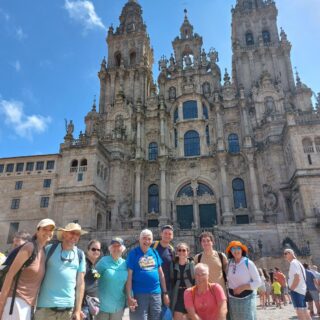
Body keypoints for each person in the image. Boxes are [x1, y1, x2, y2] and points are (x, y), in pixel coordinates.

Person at [0, 218, 55, 320]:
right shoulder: (29, 247)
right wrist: (1, 304)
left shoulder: (43, 251)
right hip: (15, 302)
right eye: (44, 229)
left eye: (51, 230)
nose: (48, 232)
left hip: (28, 304)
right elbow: (9, 275)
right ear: (37, 231)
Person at [34, 222, 87, 320]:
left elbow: (80, 284)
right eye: (72, 233)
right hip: (45, 308)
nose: (74, 236)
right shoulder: (49, 249)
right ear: (64, 234)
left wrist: (78, 310)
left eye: (77, 234)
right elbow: (35, 273)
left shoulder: (80, 255)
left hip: (67, 309)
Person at [126, 229, 169, 320]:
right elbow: (129, 277)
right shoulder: (133, 253)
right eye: (144, 238)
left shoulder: (154, 252)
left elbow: (161, 274)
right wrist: (129, 297)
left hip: (156, 294)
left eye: (149, 239)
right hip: (139, 294)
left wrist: (165, 293)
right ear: (139, 239)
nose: (146, 241)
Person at [226, 240, 262, 320]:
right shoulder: (229, 263)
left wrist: (243, 287)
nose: (236, 251)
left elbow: (258, 282)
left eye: (238, 248)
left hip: (247, 298)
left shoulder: (248, 263)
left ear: (242, 250)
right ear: (230, 252)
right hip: (233, 299)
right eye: (233, 249)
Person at [95, 237, 128, 320]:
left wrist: (130, 298)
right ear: (110, 248)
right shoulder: (103, 261)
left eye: (118, 246)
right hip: (102, 305)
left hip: (118, 305)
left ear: (122, 249)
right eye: (114, 246)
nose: (116, 248)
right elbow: (94, 276)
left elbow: (128, 283)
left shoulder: (125, 264)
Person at [283, 248, 311, 320]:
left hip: (297, 290)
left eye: (286, 253)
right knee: (304, 310)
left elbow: (297, 277)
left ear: (291, 253)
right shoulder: (298, 263)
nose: (284, 255)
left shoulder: (293, 263)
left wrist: (291, 289)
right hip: (301, 289)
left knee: (300, 311)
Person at [170, 242, 195, 320]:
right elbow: (171, 279)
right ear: (177, 252)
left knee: (190, 317)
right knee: (177, 316)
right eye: (179, 250)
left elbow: (195, 279)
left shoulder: (192, 264)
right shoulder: (173, 264)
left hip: (190, 293)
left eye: (184, 250)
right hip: (178, 294)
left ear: (188, 252)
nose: (181, 252)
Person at [152, 225, 175, 295]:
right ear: (161, 234)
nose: (167, 236)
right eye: (165, 233)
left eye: (169, 234)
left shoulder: (172, 250)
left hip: (167, 286)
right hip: (153, 285)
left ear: (172, 236)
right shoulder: (152, 246)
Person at [82, 239, 101, 320]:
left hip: (90, 306)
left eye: (98, 250)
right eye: (93, 249)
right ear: (88, 250)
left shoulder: (93, 265)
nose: (96, 251)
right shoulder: (84, 264)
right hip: (83, 306)